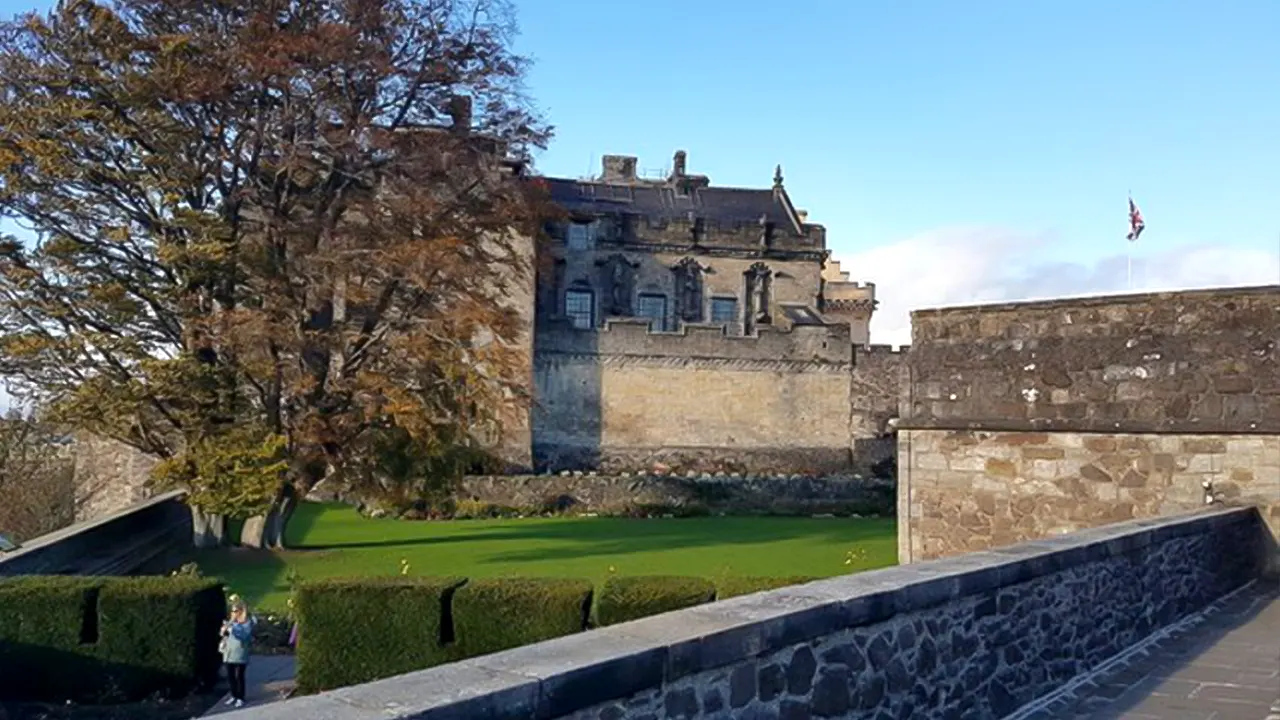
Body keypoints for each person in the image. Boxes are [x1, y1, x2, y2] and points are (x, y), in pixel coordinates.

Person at [219, 596, 256, 708]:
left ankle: (241, 697)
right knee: (230, 676)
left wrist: (232, 629)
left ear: (240, 611)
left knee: (239, 676)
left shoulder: (247, 623)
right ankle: (234, 695)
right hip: (229, 653)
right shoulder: (231, 622)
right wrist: (224, 630)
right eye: (232, 611)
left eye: (235, 611)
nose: (233, 613)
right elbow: (223, 635)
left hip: (240, 654)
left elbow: (244, 636)